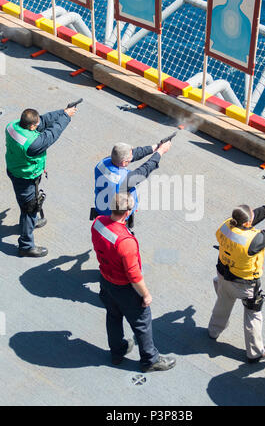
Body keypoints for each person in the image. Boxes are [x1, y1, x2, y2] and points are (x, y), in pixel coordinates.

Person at [91, 192, 176, 372]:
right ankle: (150, 360)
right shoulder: (125, 241)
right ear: (128, 212)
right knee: (142, 323)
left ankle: (117, 352)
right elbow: (134, 275)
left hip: (106, 281)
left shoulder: (98, 223)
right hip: (125, 289)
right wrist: (145, 294)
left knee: (113, 316)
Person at [208, 198, 265, 363]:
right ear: (248, 223)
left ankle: (213, 331)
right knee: (253, 315)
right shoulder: (252, 241)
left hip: (223, 276)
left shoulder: (226, 226)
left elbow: (252, 216)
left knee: (222, 304)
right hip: (245, 285)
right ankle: (255, 353)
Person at [5, 105, 77, 257]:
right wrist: (66, 117)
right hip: (26, 178)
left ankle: (30, 222)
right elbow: (52, 134)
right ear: (31, 126)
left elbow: (43, 121)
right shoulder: (33, 144)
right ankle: (26, 245)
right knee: (29, 208)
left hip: (15, 169)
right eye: (36, 125)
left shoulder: (12, 126)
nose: (39, 125)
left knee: (26, 203)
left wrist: (62, 112)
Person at [93, 140, 171, 228]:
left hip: (101, 212)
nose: (132, 158)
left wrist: (155, 147)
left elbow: (132, 154)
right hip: (118, 218)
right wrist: (160, 152)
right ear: (123, 163)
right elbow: (145, 169)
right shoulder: (125, 180)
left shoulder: (103, 163)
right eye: (129, 160)